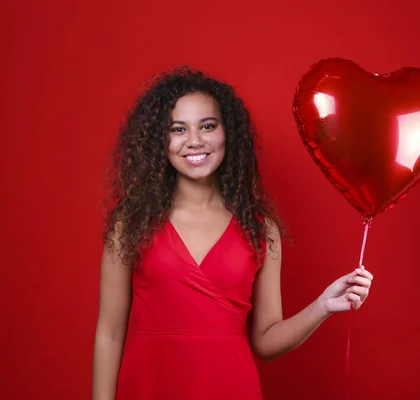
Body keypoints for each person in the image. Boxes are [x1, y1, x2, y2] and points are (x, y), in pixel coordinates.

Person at [92, 67, 374, 400]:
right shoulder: (132, 222)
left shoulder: (259, 228)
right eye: (177, 129)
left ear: (228, 133)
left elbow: (266, 341)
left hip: (230, 387)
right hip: (148, 386)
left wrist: (323, 306)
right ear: (159, 141)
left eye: (207, 126)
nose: (194, 141)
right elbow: (109, 333)